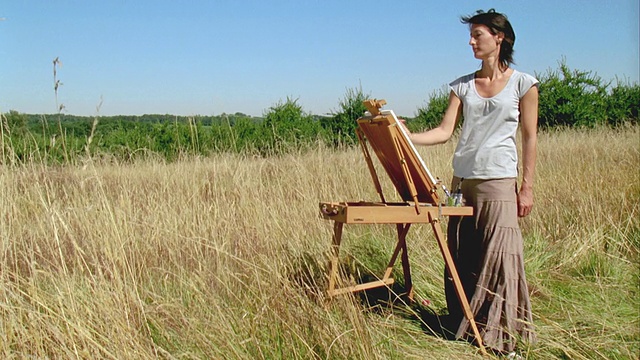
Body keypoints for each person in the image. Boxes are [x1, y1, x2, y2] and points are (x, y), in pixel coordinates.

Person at [404, 9, 538, 355]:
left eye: (478, 35)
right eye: (471, 35)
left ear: (500, 37)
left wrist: (527, 187)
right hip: (462, 183)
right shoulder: (461, 85)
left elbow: (529, 139)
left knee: (501, 258)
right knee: (465, 257)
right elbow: (445, 131)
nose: (471, 41)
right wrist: (407, 136)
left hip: (499, 181)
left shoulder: (524, 83)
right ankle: (466, 328)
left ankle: (504, 338)